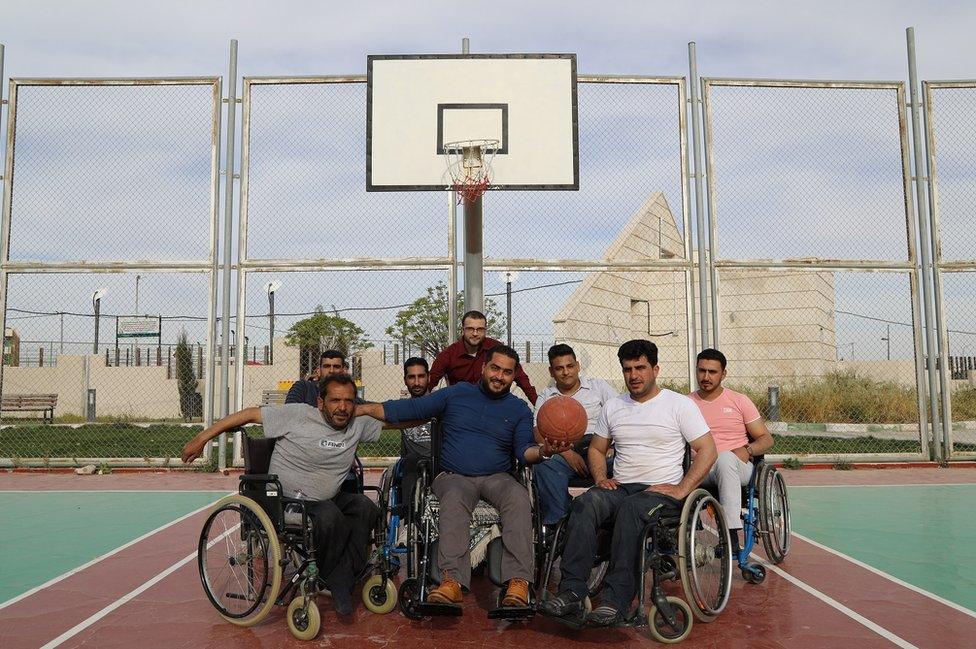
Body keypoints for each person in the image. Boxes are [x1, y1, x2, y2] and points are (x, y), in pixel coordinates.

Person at [357, 345, 567, 612]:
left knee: (518, 495)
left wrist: (544, 452)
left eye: (507, 372)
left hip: (497, 476)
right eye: (495, 368)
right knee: (454, 497)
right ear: (483, 368)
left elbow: (524, 453)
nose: (499, 376)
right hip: (454, 476)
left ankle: (518, 583)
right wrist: (362, 409)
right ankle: (451, 582)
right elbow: (409, 408)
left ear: (514, 376)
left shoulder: (519, 409)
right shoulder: (457, 394)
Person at [539, 339, 717, 627]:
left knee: (632, 509)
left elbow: (708, 449)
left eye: (640, 368)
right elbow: (596, 449)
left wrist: (683, 488)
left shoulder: (679, 405)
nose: (633, 375)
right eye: (627, 369)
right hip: (622, 487)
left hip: (661, 493)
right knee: (586, 503)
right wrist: (600, 478)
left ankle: (616, 601)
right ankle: (571, 591)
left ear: (655, 369)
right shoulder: (614, 406)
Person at [180, 373, 380, 616]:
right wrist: (200, 439)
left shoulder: (356, 422)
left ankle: (346, 574)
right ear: (320, 402)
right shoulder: (297, 415)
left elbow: (395, 418)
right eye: (336, 400)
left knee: (366, 508)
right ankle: (338, 582)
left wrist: (436, 409)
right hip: (290, 501)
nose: (342, 407)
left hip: (329, 498)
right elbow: (250, 414)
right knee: (329, 516)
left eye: (349, 401)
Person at [689, 348, 774, 559]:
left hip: (737, 466)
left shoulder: (739, 401)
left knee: (725, 457)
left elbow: (766, 438)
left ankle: (730, 536)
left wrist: (748, 449)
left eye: (712, 372)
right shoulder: (685, 403)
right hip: (699, 469)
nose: (706, 377)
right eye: (701, 371)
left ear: (723, 374)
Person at [532, 343, 618, 529]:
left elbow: (621, 416)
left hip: (602, 446)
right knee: (544, 467)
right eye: (559, 368)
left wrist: (612, 445)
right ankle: (559, 524)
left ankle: (613, 520)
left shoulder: (599, 387)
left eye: (570, 366)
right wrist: (566, 453)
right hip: (566, 450)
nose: (565, 372)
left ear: (578, 366)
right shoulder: (546, 396)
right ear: (551, 371)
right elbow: (538, 432)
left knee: (627, 465)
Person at [428, 310, 538, 405]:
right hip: (461, 408)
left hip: (495, 404)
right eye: (470, 329)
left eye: (480, 329)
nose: (475, 333)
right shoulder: (448, 355)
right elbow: (430, 382)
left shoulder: (497, 349)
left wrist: (539, 407)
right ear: (463, 329)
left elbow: (522, 380)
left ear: (485, 330)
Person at [397, 357, 433, 509]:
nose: (417, 382)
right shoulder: (400, 408)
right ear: (405, 380)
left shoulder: (441, 404)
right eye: (411, 377)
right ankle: (409, 520)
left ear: (428, 377)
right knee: (411, 461)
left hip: (439, 463)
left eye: (421, 376)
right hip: (412, 465)